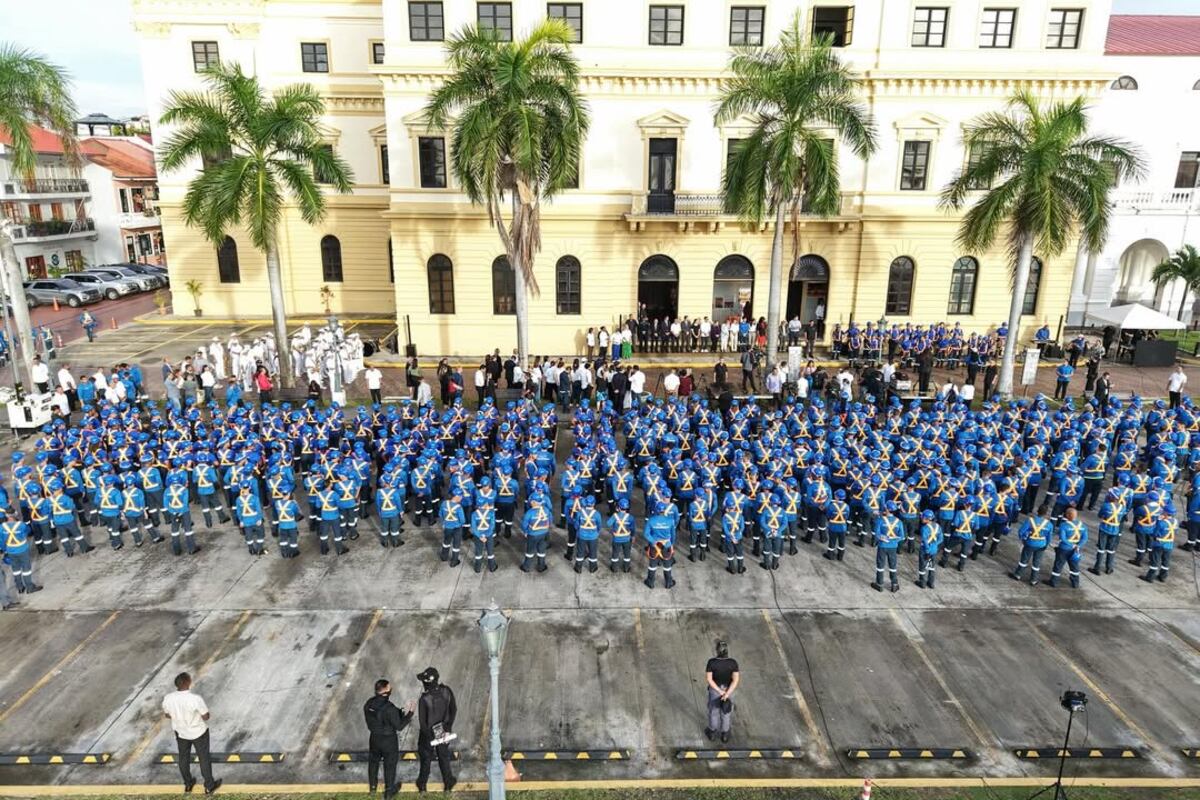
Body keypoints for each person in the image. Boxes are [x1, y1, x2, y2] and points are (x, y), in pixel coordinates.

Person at [162, 672, 221, 795]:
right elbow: (206, 716)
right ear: (187, 682)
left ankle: (188, 784)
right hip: (198, 732)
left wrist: (179, 716)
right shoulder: (195, 698)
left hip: (181, 732)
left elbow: (167, 715)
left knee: (183, 758)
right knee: (204, 758)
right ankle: (209, 786)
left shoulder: (168, 698)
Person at [364, 678, 415, 800]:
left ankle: (372, 788)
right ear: (386, 691)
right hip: (388, 741)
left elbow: (380, 717)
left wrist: (399, 711)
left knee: (373, 763)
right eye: (389, 687)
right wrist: (410, 713)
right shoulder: (390, 708)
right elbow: (399, 726)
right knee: (390, 765)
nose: (391, 688)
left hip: (374, 738)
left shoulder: (369, 704)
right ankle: (389, 791)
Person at [415, 667, 457, 794]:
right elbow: (453, 709)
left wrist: (429, 736)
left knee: (426, 759)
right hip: (443, 730)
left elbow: (422, 722)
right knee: (443, 757)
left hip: (427, 733)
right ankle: (448, 785)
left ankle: (422, 786)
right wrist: (447, 729)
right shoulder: (447, 691)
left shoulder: (424, 699)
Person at [704, 640, 739, 744]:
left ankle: (712, 733)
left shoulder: (712, 662)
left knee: (713, 711)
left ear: (717, 651)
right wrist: (726, 693)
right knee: (726, 712)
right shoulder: (733, 663)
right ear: (727, 651)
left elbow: (709, 679)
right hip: (729, 690)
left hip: (715, 691)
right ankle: (725, 735)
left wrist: (719, 691)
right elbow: (735, 680)